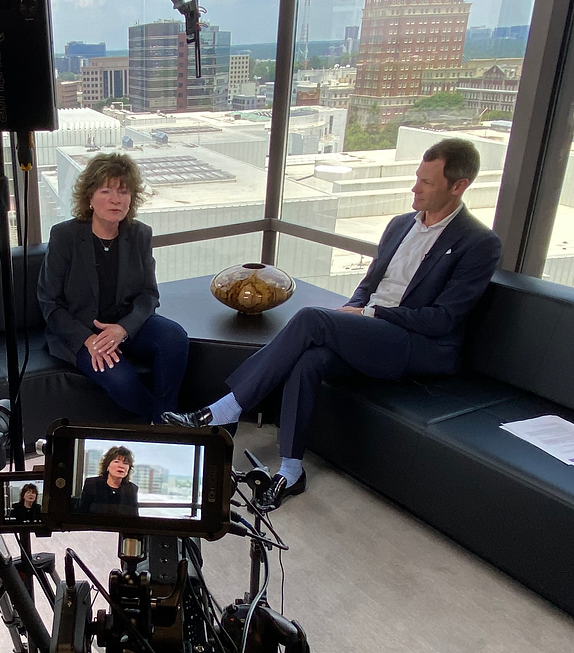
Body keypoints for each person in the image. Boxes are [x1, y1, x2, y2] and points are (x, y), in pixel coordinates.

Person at [165, 138, 502, 507]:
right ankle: (291, 470)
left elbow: (443, 320)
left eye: (427, 182)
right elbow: (369, 286)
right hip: (375, 333)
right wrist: (355, 309)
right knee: (311, 359)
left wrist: (370, 314)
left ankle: (225, 409)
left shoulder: (478, 243)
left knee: (311, 319)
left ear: (459, 186)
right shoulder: (400, 224)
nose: (414, 187)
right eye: (417, 177)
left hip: (419, 345)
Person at [37, 152, 189, 422]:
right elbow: (50, 302)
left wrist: (123, 329)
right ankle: (167, 424)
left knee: (174, 337)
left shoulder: (140, 234)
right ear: (90, 198)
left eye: (123, 191)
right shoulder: (65, 236)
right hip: (83, 333)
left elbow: (149, 294)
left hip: (127, 325)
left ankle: (167, 421)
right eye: (106, 190)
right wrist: (89, 340)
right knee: (121, 379)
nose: (116, 199)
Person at [77, 446, 140, 517]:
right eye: (116, 461)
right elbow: (82, 514)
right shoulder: (92, 484)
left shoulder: (132, 489)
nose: (121, 466)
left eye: (125, 463)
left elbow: (134, 518)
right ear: (107, 466)